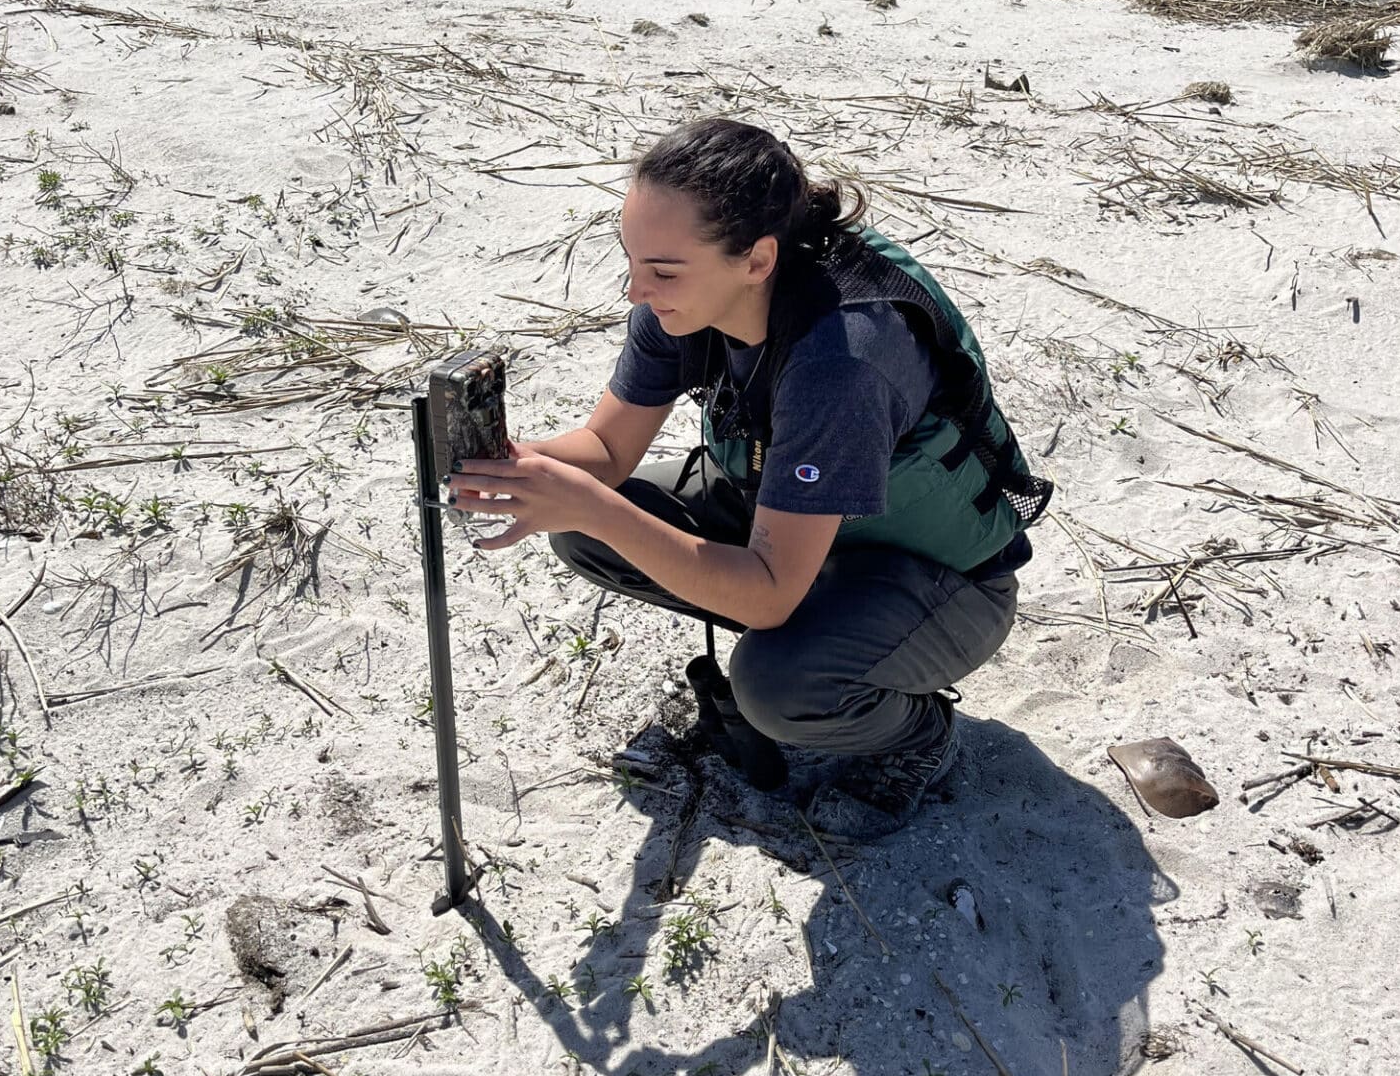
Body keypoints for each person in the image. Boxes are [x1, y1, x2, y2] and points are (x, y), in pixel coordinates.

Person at [447, 117, 1051, 836]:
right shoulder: (685, 299)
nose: (636, 290)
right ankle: (824, 634)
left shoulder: (842, 363)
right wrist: (505, 463)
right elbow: (606, 451)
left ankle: (915, 738)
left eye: (663, 271)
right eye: (632, 259)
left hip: (944, 580)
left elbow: (765, 596)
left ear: (757, 260)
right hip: (805, 526)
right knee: (586, 530)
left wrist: (589, 504)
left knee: (774, 683)